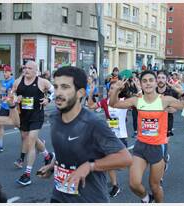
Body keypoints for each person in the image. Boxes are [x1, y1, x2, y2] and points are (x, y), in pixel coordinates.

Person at [37, 66, 132, 203]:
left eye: (65, 87)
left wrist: (89, 166)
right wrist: (52, 166)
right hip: (59, 196)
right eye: (56, 87)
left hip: (89, 199)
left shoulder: (92, 123)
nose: (58, 92)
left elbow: (125, 159)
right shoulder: (54, 117)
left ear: (80, 92)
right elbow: (63, 147)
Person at [109, 70, 184, 203]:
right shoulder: (137, 101)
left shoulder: (165, 100)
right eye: (144, 81)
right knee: (134, 184)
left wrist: (182, 93)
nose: (148, 83)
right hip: (140, 146)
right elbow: (113, 104)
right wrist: (116, 90)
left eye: (151, 80)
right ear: (141, 84)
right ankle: (146, 198)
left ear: (156, 83)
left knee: (155, 186)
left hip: (157, 147)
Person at [12, 60, 54, 185]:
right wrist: (15, 98)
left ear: (36, 71)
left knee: (30, 141)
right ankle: (47, 156)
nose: (26, 70)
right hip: (23, 116)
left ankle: (27, 174)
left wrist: (48, 99)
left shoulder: (42, 82)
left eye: (30, 68)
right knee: (29, 138)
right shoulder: (18, 81)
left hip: (37, 115)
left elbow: (54, 91)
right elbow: (11, 94)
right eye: (25, 68)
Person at [87, 80, 131, 198]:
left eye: (114, 88)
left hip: (121, 136)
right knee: (109, 162)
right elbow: (91, 106)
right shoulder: (105, 102)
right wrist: (90, 93)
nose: (111, 90)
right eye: (110, 88)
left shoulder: (124, 101)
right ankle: (115, 185)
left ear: (119, 90)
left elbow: (139, 103)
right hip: (109, 137)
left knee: (122, 165)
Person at [0, 65, 15, 153]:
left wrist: (9, 95)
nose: (4, 73)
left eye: (6, 72)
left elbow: (13, 94)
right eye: (3, 72)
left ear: (10, 72)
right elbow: (3, 93)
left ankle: (37, 141)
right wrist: (1, 96)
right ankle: (0, 145)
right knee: (0, 124)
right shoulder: (3, 81)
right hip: (3, 106)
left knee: (22, 127)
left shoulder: (13, 82)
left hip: (11, 107)